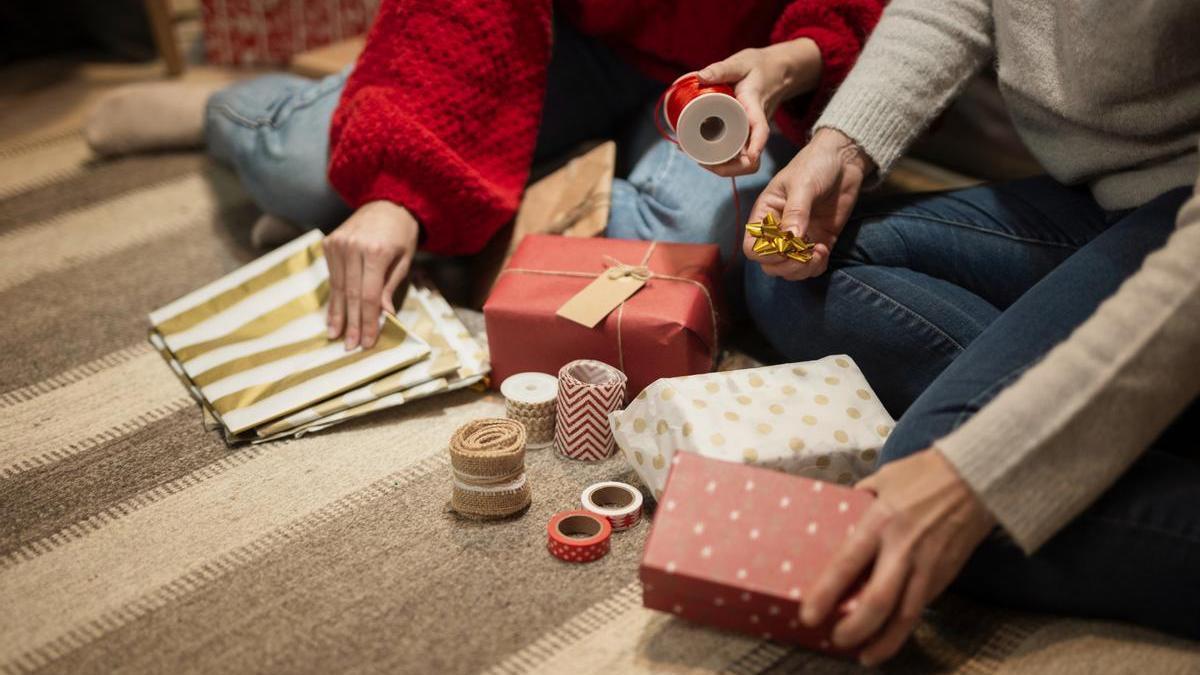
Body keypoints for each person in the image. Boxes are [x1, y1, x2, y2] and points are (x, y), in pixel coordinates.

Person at [740, 0, 1200, 665]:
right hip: (1114, 198)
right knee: (791, 275)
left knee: (947, 513)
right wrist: (841, 145)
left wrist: (983, 470)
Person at [85, 0, 884, 350]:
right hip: (560, 36)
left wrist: (793, 62)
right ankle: (227, 112)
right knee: (302, 170)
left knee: (683, 255)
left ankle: (453, 201)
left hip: (749, 67)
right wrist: (403, 183)